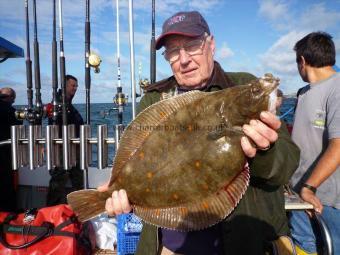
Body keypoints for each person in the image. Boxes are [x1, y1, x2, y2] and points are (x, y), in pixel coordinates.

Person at [101, 11, 300, 254]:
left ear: (211, 44)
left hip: (241, 245)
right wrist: (121, 194)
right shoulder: (154, 99)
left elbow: (286, 164)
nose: (183, 59)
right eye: (173, 51)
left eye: (192, 45)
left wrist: (266, 152)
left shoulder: (241, 86)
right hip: (169, 248)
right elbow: (138, 157)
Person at [289, 32, 340, 255]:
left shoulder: (337, 88)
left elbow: (338, 144)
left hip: (326, 200)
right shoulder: (303, 93)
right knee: (303, 246)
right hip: (298, 195)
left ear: (302, 60)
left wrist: (310, 187)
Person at [46, 74, 84, 206]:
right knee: (59, 178)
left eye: (76, 86)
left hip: (73, 146)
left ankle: (79, 208)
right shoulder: (58, 104)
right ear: (65, 85)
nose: (75, 88)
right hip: (61, 148)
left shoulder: (68, 105)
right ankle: (51, 211)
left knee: (77, 178)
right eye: (73, 85)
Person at [0, 87, 22, 211]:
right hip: (5, 156)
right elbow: (19, 128)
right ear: (12, 99)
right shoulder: (11, 111)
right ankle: (9, 218)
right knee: (7, 188)